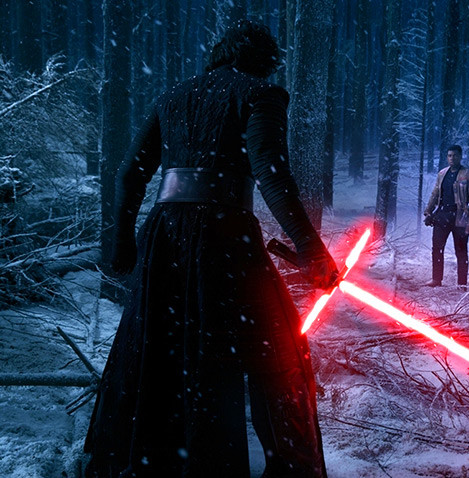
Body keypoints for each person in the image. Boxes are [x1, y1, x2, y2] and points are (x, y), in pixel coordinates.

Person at [84, 21, 337, 478]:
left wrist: (123, 244)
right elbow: (271, 172)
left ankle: (149, 462)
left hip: (165, 237)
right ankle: (282, 469)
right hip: (224, 237)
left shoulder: (173, 96)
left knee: (159, 348)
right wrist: (311, 250)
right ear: (262, 58)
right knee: (279, 351)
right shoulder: (261, 94)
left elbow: (129, 174)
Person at [423, 145, 469, 288]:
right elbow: (435, 193)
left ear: (460, 156)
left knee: (461, 251)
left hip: (460, 217)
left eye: (455, 155)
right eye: (449, 155)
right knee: (437, 248)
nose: (452, 158)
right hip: (442, 215)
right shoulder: (442, 173)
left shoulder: (468, 175)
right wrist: (428, 210)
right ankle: (436, 279)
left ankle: (462, 283)